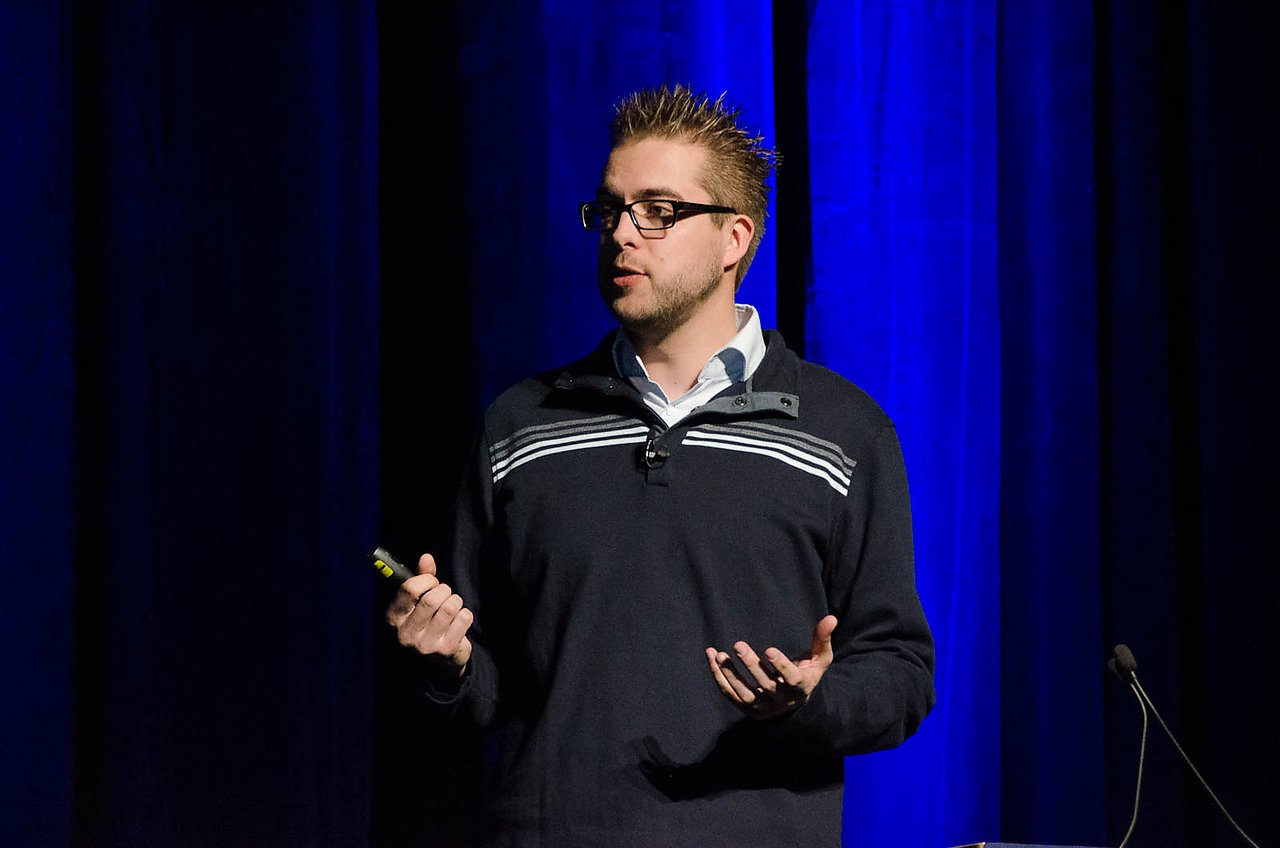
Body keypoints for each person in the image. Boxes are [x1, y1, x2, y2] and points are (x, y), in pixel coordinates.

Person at [385, 84, 935, 847]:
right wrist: (445, 662)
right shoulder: (522, 426)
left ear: (734, 239)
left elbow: (901, 674)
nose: (621, 235)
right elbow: (492, 686)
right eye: (609, 209)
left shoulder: (844, 432)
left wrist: (814, 698)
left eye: (659, 211)